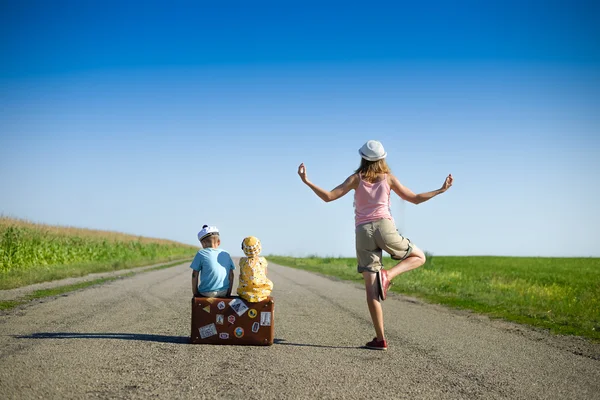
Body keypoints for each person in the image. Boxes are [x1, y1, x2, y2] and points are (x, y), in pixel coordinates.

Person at [297, 140, 453, 351]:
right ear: (382, 158)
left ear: (363, 158)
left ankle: (380, 339)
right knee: (419, 256)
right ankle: (388, 275)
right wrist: (440, 190)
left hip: (363, 233)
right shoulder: (388, 179)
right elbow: (415, 199)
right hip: (385, 228)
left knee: (371, 291)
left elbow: (328, 197)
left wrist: (307, 181)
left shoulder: (355, 179)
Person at [190, 225, 236, 298]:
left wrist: (195, 292)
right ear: (219, 242)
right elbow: (231, 275)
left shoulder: (201, 253)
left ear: (203, 243)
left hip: (207, 292)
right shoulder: (226, 254)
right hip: (224, 291)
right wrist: (228, 293)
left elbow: (194, 274)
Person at [237, 236, 273, 302]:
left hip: (245, 291)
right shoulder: (262, 260)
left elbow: (242, 275)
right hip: (260, 291)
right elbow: (265, 274)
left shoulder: (242, 261)